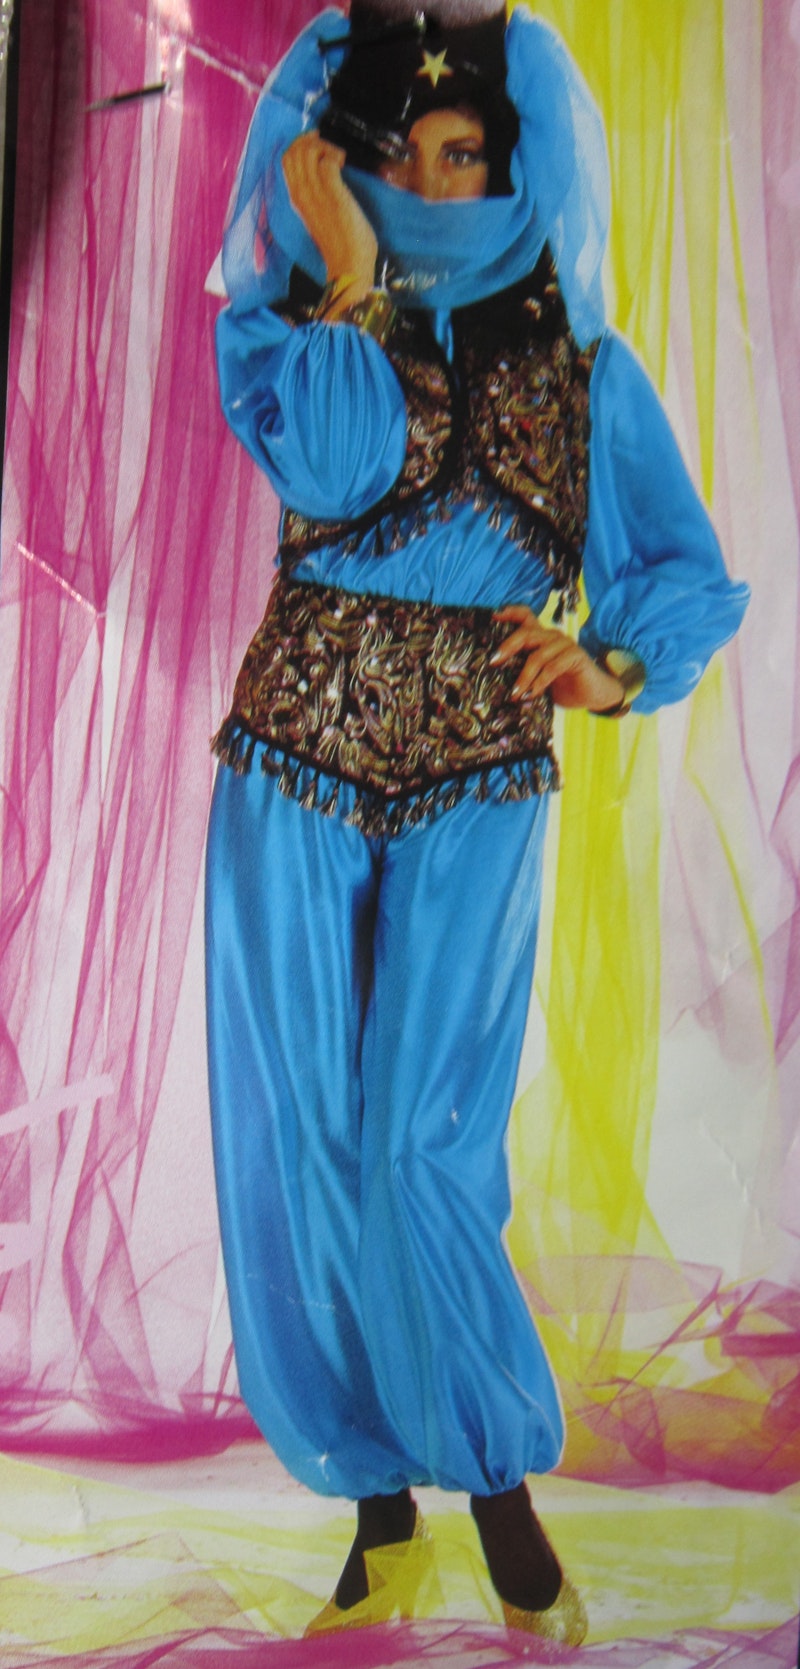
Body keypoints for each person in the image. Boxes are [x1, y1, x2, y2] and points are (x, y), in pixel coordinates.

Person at [205, 0, 749, 1645]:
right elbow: (340, 469)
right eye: (391, 155)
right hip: (294, 755)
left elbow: (680, 571)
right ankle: (380, 1516)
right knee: (304, 1133)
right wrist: (349, 278)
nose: (428, 181)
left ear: (514, 166)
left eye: (457, 153)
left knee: (420, 1141)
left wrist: (610, 661)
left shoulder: (582, 368)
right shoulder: (293, 335)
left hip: (481, 769)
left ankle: (502, 1499)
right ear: (339, 169)